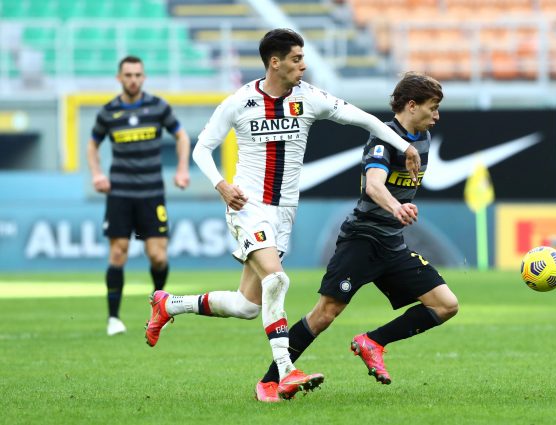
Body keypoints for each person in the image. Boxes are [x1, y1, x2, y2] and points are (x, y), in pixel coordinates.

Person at [143, 28, 422, 402]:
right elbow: (201, 149)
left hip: (284, 212)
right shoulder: (240, 102)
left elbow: (365, 120)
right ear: (275, 63)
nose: (303, 65)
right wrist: (221, 185)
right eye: (296, 58)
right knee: (276, 280)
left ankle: (169, 304)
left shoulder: (309, 98)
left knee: (246, 305)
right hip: (248, 206)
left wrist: (405, 146)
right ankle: (286, 372)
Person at [257, 72, 459, 396]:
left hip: (392, 243)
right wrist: (397, 207)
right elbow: (374, 185)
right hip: (362, 240)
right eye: (432, 107)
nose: (437, 115)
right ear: (411, 105)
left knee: (445, 305)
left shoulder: (422, 139)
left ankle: (373, 342)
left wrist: (399, 209)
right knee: (325, 313)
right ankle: (269, 381)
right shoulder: (383, 139)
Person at [87, 56, 191, 336]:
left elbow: (182, 136)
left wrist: (182, 169)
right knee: (117, 252)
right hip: (120, 194)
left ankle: (159, 309)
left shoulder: (158, 107)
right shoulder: (108, 112)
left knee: (157, 256)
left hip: (151, 193)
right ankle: (113, 318)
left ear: (143, 77)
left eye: (137, 75)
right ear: (119, 78)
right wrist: (97, 174)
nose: (133, 80)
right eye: (128, 75)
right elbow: (92, 144)